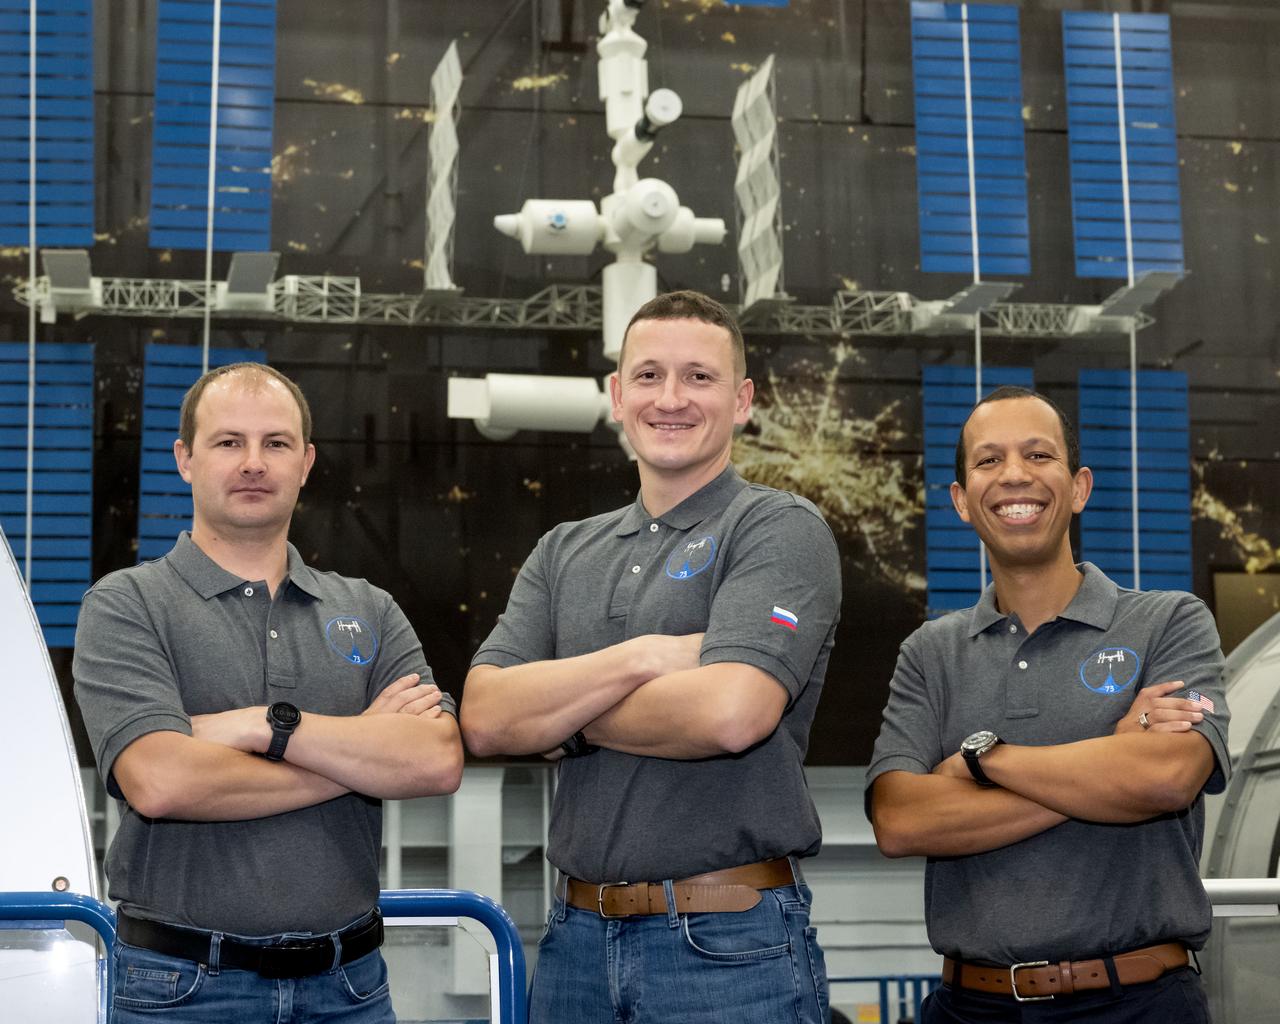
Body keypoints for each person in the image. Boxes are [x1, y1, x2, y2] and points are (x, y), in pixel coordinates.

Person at [460, 290, 842, 1024]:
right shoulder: (563, 550)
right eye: (648, 376)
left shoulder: (778, 530)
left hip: (728, 944)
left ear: (742, 401)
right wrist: (640, 658)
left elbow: (732, 713)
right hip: (573, 944)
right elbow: (482, 718)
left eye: (699, 377)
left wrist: (557, 719)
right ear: (616, 396)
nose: (671, 399)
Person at [74, 363, 464, 1023]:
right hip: (181, 990)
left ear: (306, 462)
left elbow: (435, 760)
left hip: (352, 989)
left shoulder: (369, 608)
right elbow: (161, 780)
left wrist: (265, 727)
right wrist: (356, 757)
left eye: (276, 443)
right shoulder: (127, 604)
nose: (253, 462)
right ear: (185, 459)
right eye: (228, 442)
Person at [867, 386, 1230, 1022]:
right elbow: (900, 821)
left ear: (1080, 486)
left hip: (1141, 1003)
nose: (1014, 475)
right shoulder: (931, 652)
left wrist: (983, 761)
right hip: (970, 1007)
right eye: (988, 461)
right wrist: (1112, 755)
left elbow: (1168, 778)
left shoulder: (1171, 621)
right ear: (960, 501)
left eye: (1038, 454)